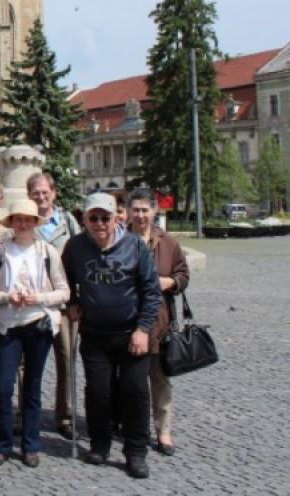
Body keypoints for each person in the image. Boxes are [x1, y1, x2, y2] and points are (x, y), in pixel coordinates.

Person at [62, 191, 161, 479]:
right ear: (85, 219)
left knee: (135, 392)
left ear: (117, 218)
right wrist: (71, 303)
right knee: (98, 393)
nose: (100, 223)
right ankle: (100, 444)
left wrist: (143, 329)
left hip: (131, 333)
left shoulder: (134, 246)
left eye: (105, 217)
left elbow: (151, 291)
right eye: (93, 218)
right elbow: (64, 278)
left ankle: (135, 451)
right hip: (94, 333)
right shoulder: (76, 246)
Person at [0, 198, 69, 467]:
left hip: (37, 323)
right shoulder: (1, 250)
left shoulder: (46, 251)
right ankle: (1, 444)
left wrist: (38, 297)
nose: (23, 224)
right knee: (3, 387)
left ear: (34, 223)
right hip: (7, 326)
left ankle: (31, 445)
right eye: (18, 219)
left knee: (31, 388)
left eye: (28, 220)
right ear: (12, 222)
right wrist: (7, 297)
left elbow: (63, 291)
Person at [127, 189, 189, 457]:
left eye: (145, 210)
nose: (141, 215)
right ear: (129, 212)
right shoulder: (121, 240)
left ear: (154, 212)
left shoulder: (168, 242)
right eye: (136, 210)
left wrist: (171, 282)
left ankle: (163, 430)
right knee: (131, 379)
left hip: (161, 320)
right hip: (128, 319)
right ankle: (132, 427)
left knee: (160, 378)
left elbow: (183, 274)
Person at [27, 170, 81, 439]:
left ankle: (65, 415)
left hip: (63, 302)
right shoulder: (25, 223)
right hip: (33, 303)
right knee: (27, 363)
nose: (40, 196)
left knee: (66, 358)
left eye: (44, 191)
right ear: (29, 196)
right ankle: (26, 412)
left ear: (53, 193)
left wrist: (77, 299)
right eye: (35, 192)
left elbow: (81, 257)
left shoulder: (68, 222)